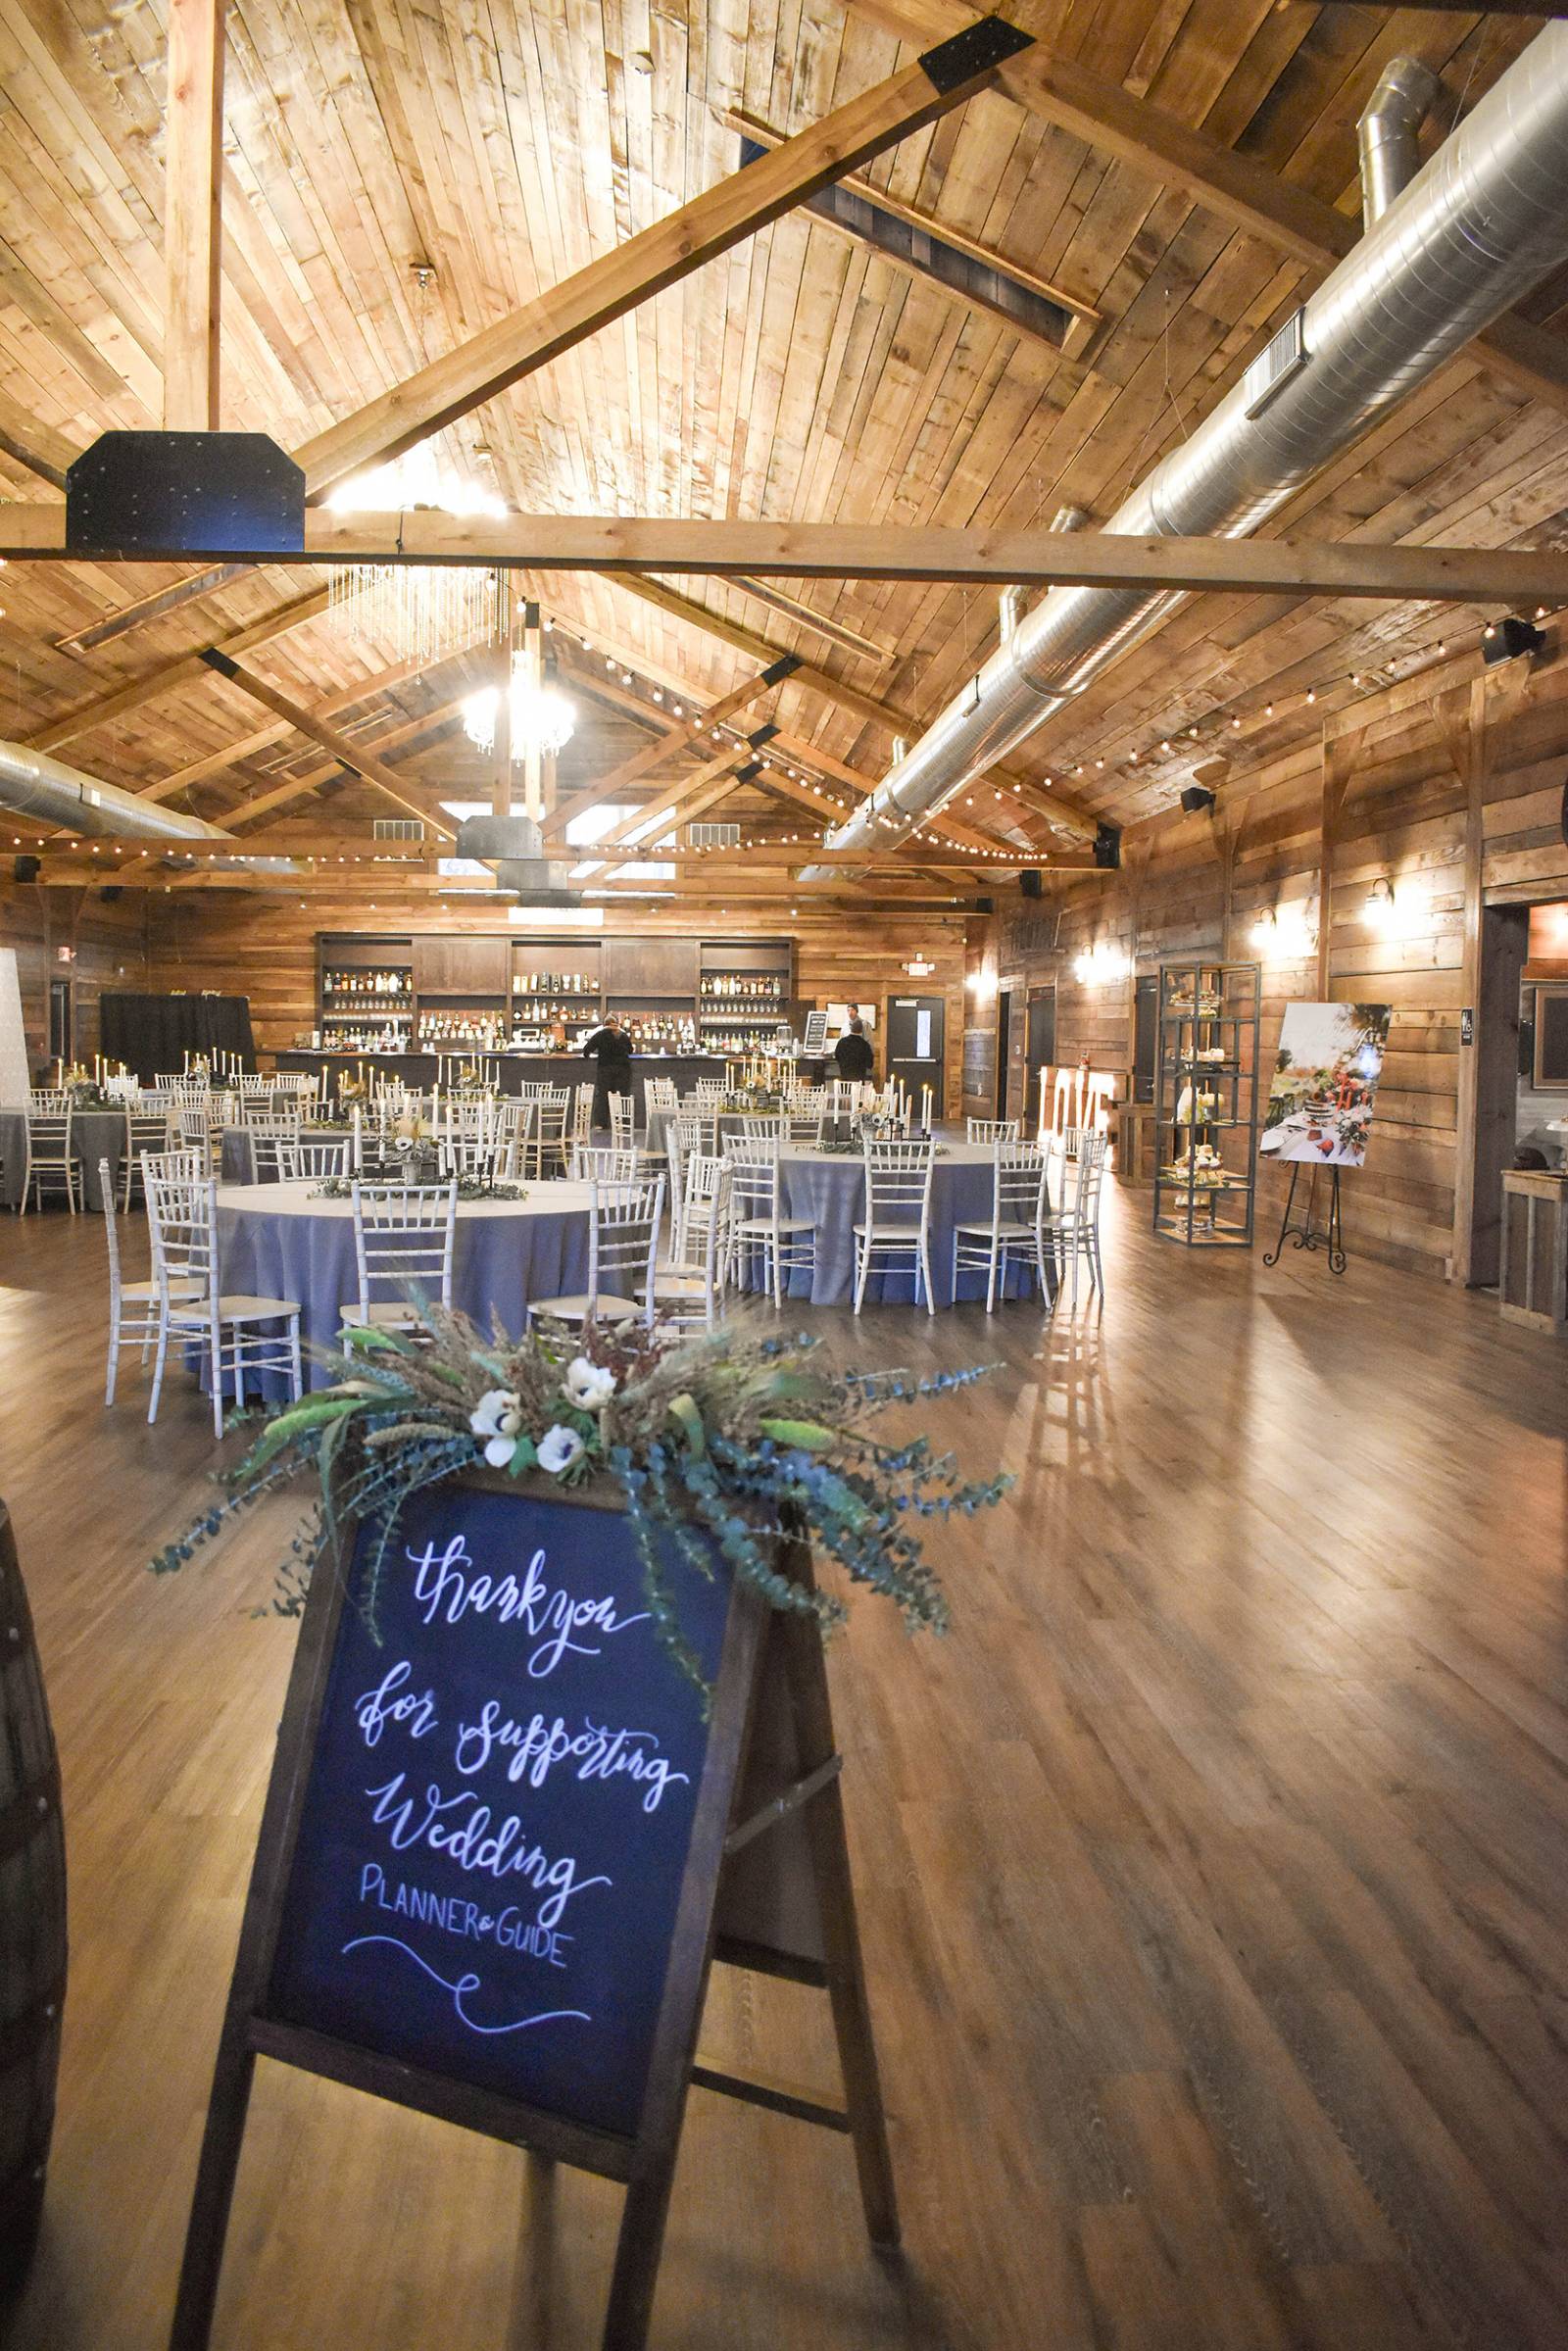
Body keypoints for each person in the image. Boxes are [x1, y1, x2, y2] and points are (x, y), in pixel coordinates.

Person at [581, 1012, 634, 1132]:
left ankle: (601, 1123)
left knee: (603, 1096)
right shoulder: (623, 1035)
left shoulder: (599, 1035)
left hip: (605, 1069)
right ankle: (622, 1123)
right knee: (621, 1096)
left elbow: (586, 1051)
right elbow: (630, 1050)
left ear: (604, 1024)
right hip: (623, 1070)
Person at [834, 1015, 875, 1084]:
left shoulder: (842, 1042)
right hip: (859, 1081)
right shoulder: (864, 1045)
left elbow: (837, 1056)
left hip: (845, 1079)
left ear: (851, 1029)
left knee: (844, 1093)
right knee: (858, 1093)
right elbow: (870, 1064)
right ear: (861, 1030)